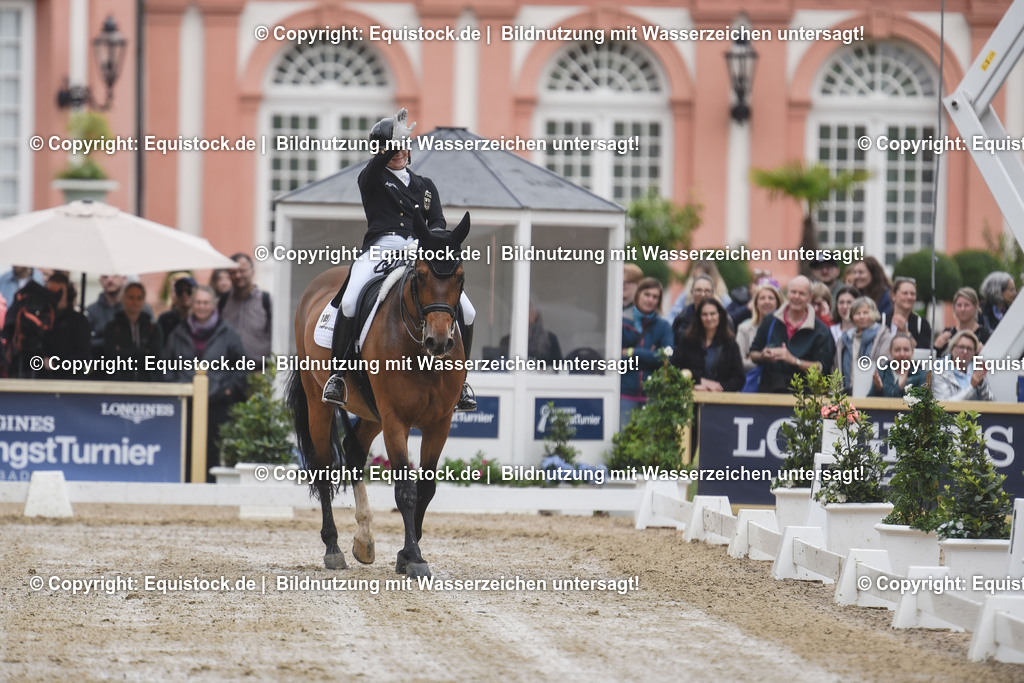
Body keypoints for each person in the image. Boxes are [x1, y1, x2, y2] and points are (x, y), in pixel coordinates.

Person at [322, 108, 477, 411]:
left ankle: (461, 381)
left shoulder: (426, 185)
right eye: (391, 148)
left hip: (419, 248)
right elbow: (374, 169)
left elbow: (437, 223)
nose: (398, 153)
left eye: (403, 146)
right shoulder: (373, 178)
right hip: (382, 246)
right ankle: (337, 375)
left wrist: (429, 243)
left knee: (468, 311)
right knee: (352, 300)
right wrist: (393, 139)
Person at [163, 286, 249, 474]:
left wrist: (229, 389)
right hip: (186, 405)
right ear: (192, 305)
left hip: (217, 405)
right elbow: (166, 366)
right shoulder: (177, 333)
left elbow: (242, 366)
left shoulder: (228, 333)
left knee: (213, 452)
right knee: (185, 450)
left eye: (206, 302)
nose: (202, 306)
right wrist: (174, 387)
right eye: (198, 302)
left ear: (214, 305)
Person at [748, 276, 835, 393]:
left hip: (803, 398)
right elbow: (753, 353)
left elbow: (822, 368)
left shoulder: (821, 330)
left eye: (802, 294)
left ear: (810, 297)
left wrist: (794, 361)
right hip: (768, 394)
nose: (796, 297)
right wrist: (763, 355)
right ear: (787, 293)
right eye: (793, 292)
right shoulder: (770, 320)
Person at [621, 277, 673, 426]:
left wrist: (633, 352)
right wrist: (650, 357)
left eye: (655, 297)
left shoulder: (663, 326)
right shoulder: (622, 322)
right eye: (647, 294)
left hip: (652, 396)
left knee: (649, 445)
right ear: (638, 294)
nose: (650, 300)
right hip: (625, 393)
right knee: (622, 441)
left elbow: (666, 357)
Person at [671, 298, 745, 392]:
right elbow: (675, 369)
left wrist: (717, 387)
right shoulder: (687, 341)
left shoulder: (730, 343)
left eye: (712, 314)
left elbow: (739, 378)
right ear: (699, 317)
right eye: (704, 314)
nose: (709, 318)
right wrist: (699, 381)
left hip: (720, 400)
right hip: (690, 396)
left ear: (720, 315)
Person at [104, 282, 163, 381]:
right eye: (131, 297)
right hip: (118, 383)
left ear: (143, 301)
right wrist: (143, 352)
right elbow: (111, 359)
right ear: (123, 299)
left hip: (146, 384)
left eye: (139, 298)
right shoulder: (112, 327)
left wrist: (122, 352)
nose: (135, 302)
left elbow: (155, 360)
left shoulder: (153, 328)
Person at [834, 297, 893, 394]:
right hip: (847, 392)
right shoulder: (845, 338)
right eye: (857, 313)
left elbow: (884, 362)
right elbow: (837, 366)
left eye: (865, 313)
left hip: (874, 392)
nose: (862, 317)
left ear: (873, 313)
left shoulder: (884, 336)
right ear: (852, 316)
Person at [219, 253, 271, 361]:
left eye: (242, 271)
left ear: (252, 272)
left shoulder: (266, 301)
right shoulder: (223, 301)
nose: (238, 275)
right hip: (228, 371)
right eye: (233, 272)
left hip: (259, 372)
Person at [39, 272, 92, 380]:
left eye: (58, 294)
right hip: (42, 381)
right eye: (50, 293)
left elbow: (83, 357)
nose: (54, 298)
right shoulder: (39, 319)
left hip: (70, 382)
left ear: (68, 295)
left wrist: (56, 363)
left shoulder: (79, 321)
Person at [932, 329, 994, 401]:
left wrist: (981, 385)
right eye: (961, 347)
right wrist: (972, 386)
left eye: (969, 349)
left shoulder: (977, 368)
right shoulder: (939, 369)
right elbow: (945, 405)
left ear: (974, 352)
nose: (965, 351)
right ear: (952, 349)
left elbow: (991, 402)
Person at [736, 281, 783, 373]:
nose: (767, 302)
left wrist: (751, 358)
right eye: (762, 298)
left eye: (771, 298)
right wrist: (764, 362)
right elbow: (738, 362)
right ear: (756, 304)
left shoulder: (785, 328)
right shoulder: (744, 328)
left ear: (777, 303)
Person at [934, 287, 991, 356]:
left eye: (967, 305)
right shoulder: (947, 334)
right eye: (959, 305)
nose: (962, 309)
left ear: (976, 307)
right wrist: (936, 347)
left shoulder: (985, 334)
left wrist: (985, 352)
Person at [498, 304, 562, 364]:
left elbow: (558, 367)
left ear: (536, 314)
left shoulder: (550, 340)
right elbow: (502, 366)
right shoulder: (506, 341)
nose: (523, 314)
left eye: (528, 310)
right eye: (519, 311)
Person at [879, 276, 932, 349]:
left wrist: (906, 333)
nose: (909, 297)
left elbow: (925, 353)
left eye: (912, 294)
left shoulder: (922, 324)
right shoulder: (881, 321)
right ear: (893, 296)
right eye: (905, 293)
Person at [869, 332, 928, 397]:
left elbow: (919, 404)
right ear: (890, 352)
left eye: (906, 350)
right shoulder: (882, 371)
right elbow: (869, 402)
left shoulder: (922, 375)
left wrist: (899, 388)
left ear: (912, 351)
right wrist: (878, 389)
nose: (902, 354)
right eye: (897, 350)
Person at [671, 274, 715, 343]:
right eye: (698, 290)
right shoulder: (681, 319)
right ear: (691, 292)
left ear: (713, 293)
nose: (703, 294)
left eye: (707, 291)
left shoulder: (723, 320)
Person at [157, 276, 196, 341]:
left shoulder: (201, 319)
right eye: (180, 291)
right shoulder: (165, 319)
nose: (184, 294)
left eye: (189, 291)